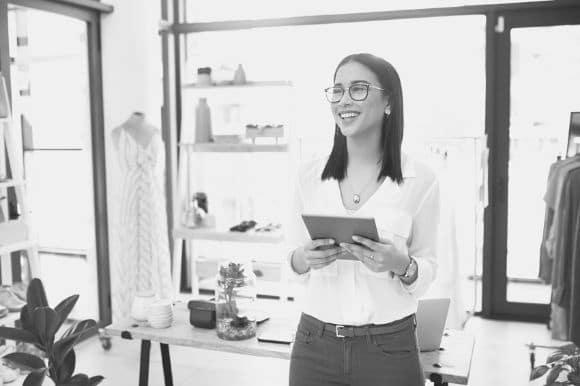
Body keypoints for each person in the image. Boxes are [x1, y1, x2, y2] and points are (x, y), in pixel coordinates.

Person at [286, 53, 440, 386]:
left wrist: (402, 264)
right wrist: (303, 258)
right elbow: (290, 261)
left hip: (389, 349)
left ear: (388, 102)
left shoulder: (421, 180)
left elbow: (427, 269)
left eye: (358, 89)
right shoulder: (308, 176)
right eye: (337, 90)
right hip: (314, 345)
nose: (343, 101)